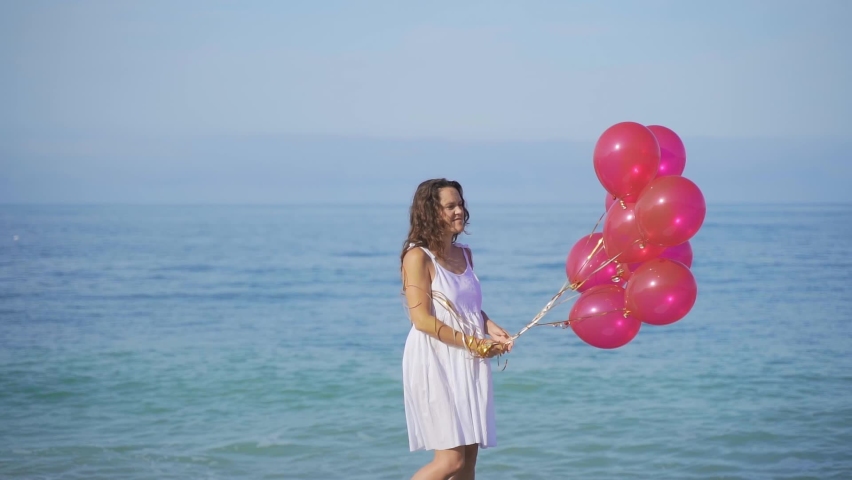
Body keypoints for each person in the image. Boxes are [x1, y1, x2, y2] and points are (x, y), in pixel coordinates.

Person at [400, 178, 513, 480]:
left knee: (468, 462)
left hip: (468, 359)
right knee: (450, 461)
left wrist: (489, 326)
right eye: (450, 206)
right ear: (430, 212)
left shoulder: (465, 254)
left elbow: (466, 306)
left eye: (460, 204)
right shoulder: (418, 257)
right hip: (436, 359)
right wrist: (476, 344)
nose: (459, 211)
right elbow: (421, 319)